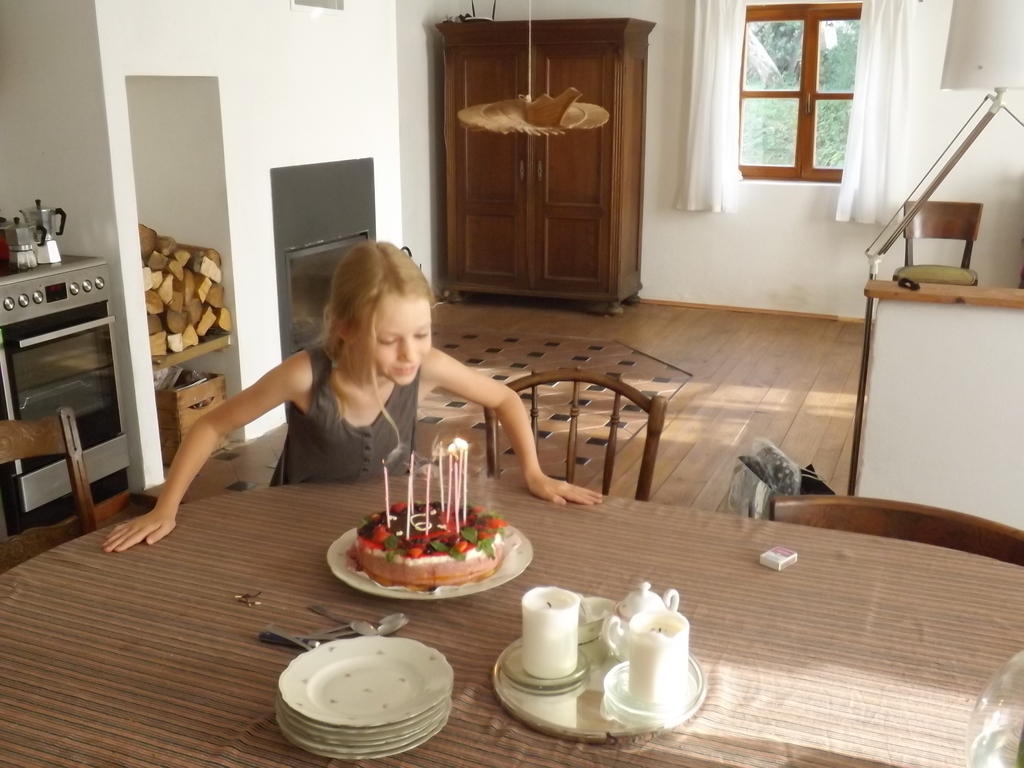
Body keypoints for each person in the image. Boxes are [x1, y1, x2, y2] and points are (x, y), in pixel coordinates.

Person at [104, 240, 601, 553]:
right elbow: (214, 424)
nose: (410, 354)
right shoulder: (305, 375)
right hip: (298, 532)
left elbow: (505, 399)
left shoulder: (425, 366)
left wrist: (533, 472)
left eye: (422, 334)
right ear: (345, 328)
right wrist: (167, 507)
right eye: (390, 340)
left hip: (391, 530)